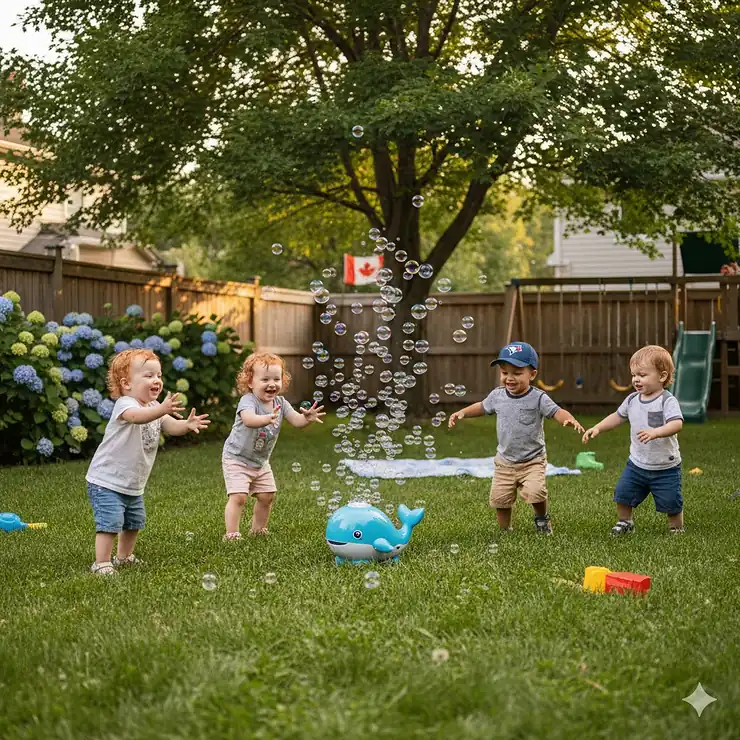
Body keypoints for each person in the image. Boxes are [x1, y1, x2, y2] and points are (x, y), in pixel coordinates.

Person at [85, 348, 210, 575]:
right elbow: (136, 417)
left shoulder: (154, 408)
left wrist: (187, 425)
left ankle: (124, 557)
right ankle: (101, 562)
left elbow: (171, 426)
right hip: (106, 480)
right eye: (148, 375)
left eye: (159, 375)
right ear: (127, 384)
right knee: (110, 522)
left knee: (134, 522)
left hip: (133, 482)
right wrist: (162, 409)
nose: (156, 380)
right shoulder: (126, 404)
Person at [448, 341, 584, 534]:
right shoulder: (497, 396)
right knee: (500, 499)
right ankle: (505, 530)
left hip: (532, 460)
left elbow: (556, 411)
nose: (509, 378)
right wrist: (463, 412)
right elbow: (481, 406)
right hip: (505, 461)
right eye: (504, 373)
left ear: (532, 374)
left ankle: (542, 518)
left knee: (536, 493)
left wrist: (568, 419)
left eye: (517, 373)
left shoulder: (538, 398)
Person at [222, 352, 325, 540]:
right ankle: (232, 534)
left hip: (260, 461)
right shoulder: (248, 401)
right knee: (239, 497)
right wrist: (265, 419)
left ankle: (258, 529)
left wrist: (307, 418)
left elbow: (297, 421)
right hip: (236, 458)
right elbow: (248, 419)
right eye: (265, 379)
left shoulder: (281, 403)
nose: (272, 384)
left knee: (267, 495)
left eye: (277, 379)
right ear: (250, 382)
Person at [583, 345, 684, 535]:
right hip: (637, 464)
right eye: (634, 375)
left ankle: (676, 527)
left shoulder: (667, 401)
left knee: (671, 501)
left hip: (665, 467)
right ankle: (625, 522)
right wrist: (597, 427)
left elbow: (677, 424)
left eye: (642, 375)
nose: (636, 379)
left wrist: (656, 432)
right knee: (623, 494)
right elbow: (617, 417)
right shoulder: (632, 400)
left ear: (662, 377)